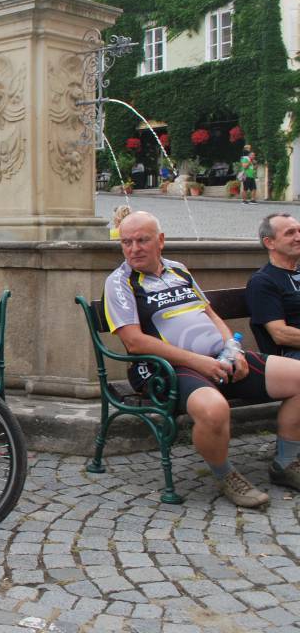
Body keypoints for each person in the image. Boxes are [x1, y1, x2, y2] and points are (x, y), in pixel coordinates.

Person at [105, 211, 300, 507]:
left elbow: (210, 314)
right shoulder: (120, 282)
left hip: (218, 358)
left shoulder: (178, 270)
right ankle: (225, 475)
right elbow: (134, 342)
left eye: (142, 240)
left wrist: (232, 349)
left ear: (160, 240)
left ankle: (285, 464)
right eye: (126, 242)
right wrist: (200, 362)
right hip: (165, 369)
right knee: (213, 410)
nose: (134, 249)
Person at [247, 213, 300, 358]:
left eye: (299, 231)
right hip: (290, 357)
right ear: (269, 243)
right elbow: (280, 334)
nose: (298, 237)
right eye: (290, 233)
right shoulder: (262, 281)